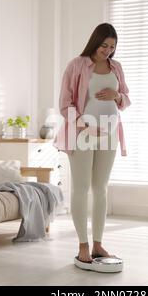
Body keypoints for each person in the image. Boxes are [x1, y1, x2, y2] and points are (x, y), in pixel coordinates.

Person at [54, 23, 131, 268]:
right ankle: (83, 245)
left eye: (112, 47)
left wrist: (116, 96)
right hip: (83, 132)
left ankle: (98, 244)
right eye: (104, 45)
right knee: (82, 187)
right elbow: (65, 103)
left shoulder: (116, 67)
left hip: (110, 131)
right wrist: (84, 125)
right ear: (94, 41)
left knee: (101, 188)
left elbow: (127, 98)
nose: (107, 51)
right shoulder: (77, 65)